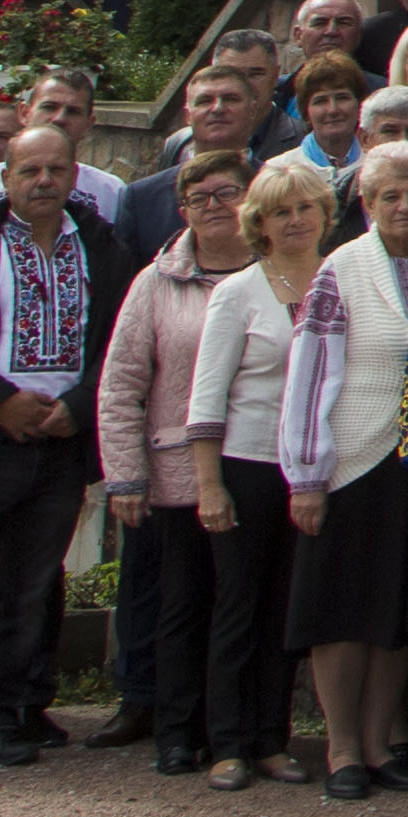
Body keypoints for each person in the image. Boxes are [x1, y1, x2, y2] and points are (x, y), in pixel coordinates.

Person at [280, 139, 408, 803]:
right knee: (343, 610)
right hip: (358, 458)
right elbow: (311, 372)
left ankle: (383, 741)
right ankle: (343, 747)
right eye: (391, 195)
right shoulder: (342, 269)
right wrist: (305, 472)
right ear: (366, 203)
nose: (407, 205)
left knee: (400, 611)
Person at [89, 142, 242, 775]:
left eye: (227, 193)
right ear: (182, 209)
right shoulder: (155, 283)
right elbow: (121, 384)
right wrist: (125, 474)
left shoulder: (284, 275)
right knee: (181, 604)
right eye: (199, 198)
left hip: (259, 467)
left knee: (243, 605)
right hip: (177, 474)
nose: (213, 207)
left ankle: (238, 729)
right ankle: (177, 730)